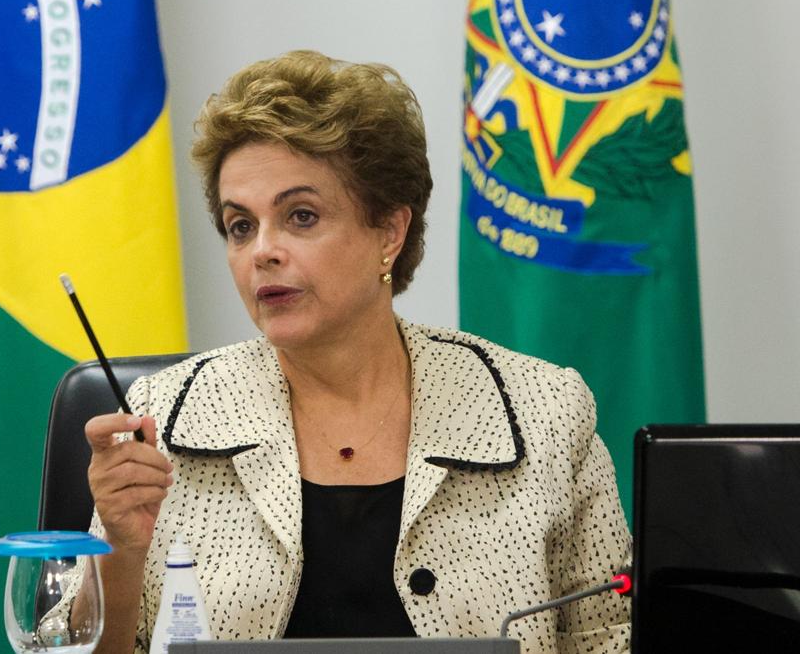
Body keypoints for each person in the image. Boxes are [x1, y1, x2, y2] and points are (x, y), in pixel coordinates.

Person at [79, 50, 630, 654]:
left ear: (389, 233)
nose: (262, 251)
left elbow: (610, 637)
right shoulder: (163, 416)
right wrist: (119, 553)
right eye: (241, 226)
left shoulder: (543, 412)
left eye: (301, 216)